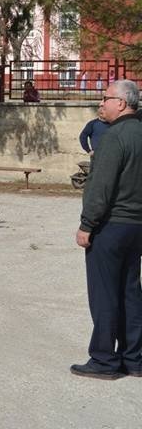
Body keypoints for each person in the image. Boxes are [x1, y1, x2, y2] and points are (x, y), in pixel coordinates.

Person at [71, 80, 142, 380]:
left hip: (111, 226)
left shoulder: (115, 137)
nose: (101, 103)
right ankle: (134, 358)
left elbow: (100, 188)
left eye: (106, 98)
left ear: (122, 104)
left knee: (104, 295)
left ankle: (103, 359)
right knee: (130, 292)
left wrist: (87, 225)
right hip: (136, 227)